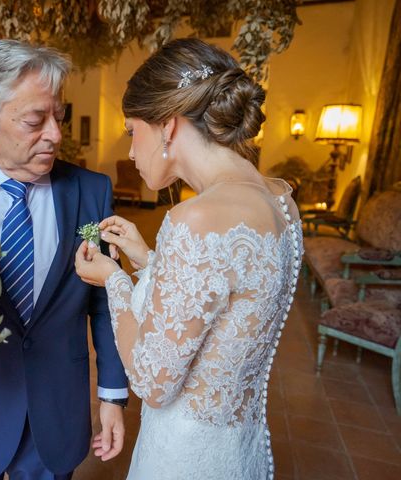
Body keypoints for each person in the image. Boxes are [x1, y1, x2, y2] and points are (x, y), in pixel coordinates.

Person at [75, 38, 303, 480]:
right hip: (240, 446)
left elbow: (151, 381)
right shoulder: (280, 200)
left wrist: (114, 280)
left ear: (167, 126)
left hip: (184, 456)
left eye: (131, 131)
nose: (130, 152)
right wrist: (148, 259)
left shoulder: (195, 217)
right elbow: (227, 308)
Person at [0, 40, 129, 480]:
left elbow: (107, 300)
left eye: (60, 116)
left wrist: (112, 394)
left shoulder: (91, 193)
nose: (55, 134)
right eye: (35, 120)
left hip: (54, 416)